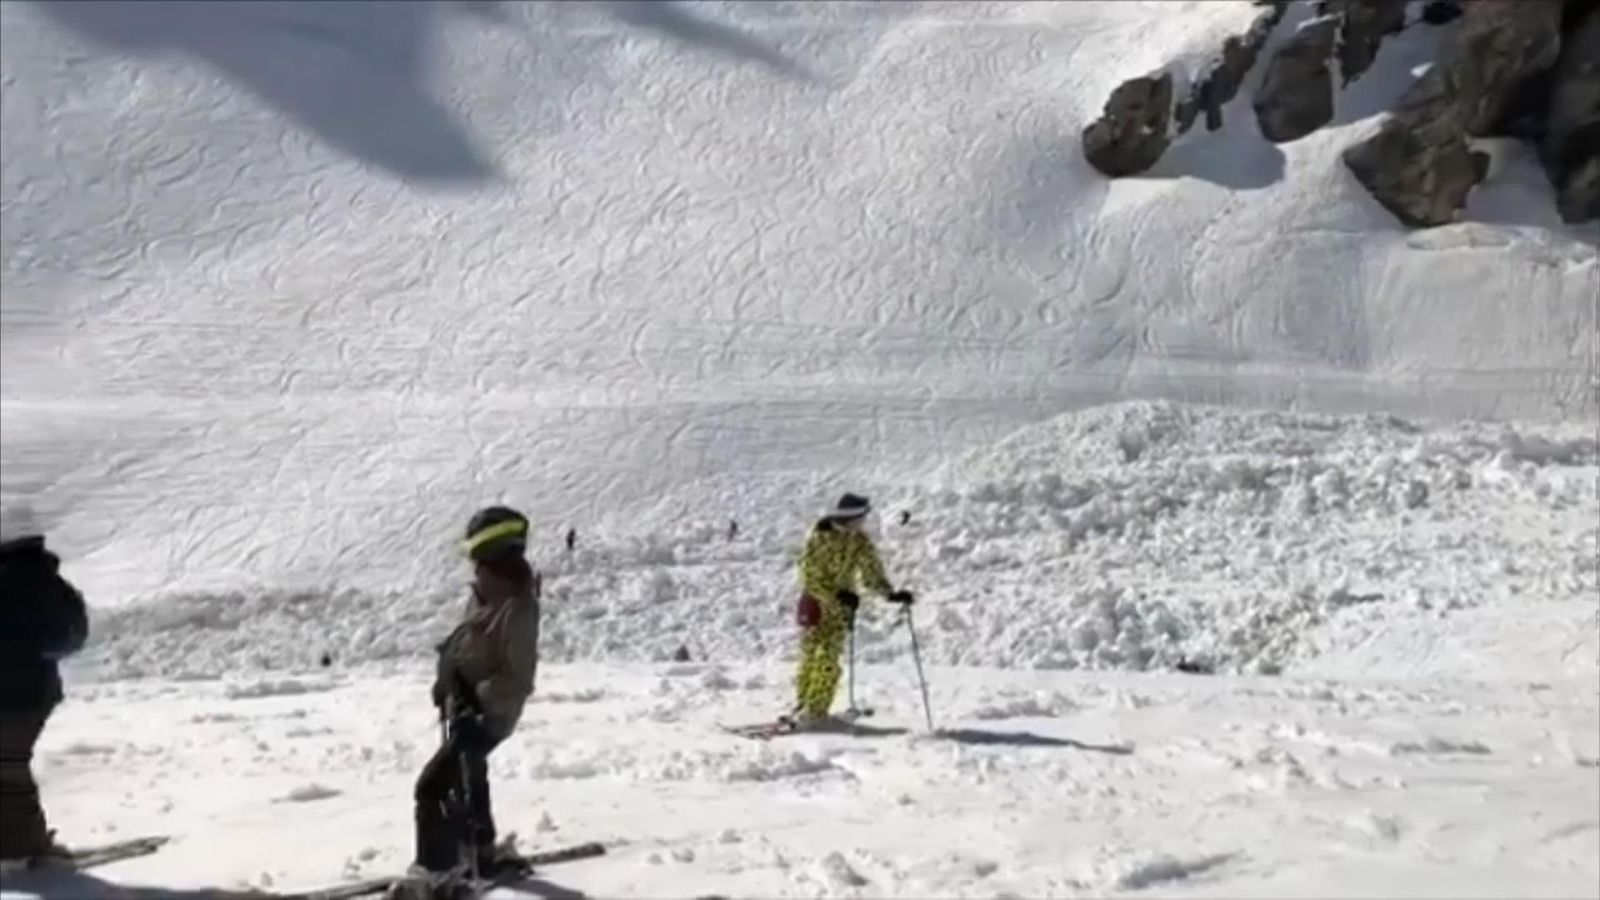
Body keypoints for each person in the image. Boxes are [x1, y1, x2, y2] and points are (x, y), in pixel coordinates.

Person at [410, 506, 541, 887]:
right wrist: (447, 679)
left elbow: (518, 679)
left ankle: (437, 871)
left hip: (490, 716)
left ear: (493, 555)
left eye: (477, 557)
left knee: (432, 788)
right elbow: (468, 644)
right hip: (470, 710)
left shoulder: (518, 609)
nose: (473, 566)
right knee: (470, 775)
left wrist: (475, 701)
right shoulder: (485, 594)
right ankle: (478, 847)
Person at [0, 533, 88, 867]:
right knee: (9, 766)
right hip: (34, 693)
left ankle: (22, 846)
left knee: (8, 767)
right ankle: (18, 843)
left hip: (15, 696)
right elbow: (72, 638)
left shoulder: (14, 585)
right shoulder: (53, 587)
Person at [788, 493, 913, 728]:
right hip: (815, 606)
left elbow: (870, 571)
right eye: (860, 518)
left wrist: (889, 593)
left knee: (828, 660)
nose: (863, 522)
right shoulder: (818, 537)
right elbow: (809, 576)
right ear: (849, 517)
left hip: (840, 611)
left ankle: (813, 709)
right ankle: (806, 707)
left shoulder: (859, 541)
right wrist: (835, 595)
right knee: (812, 658)